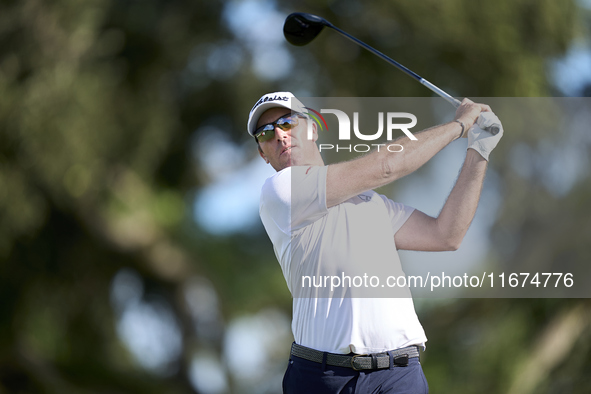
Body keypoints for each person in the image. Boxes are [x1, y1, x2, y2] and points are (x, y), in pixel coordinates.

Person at [247, 92, 503, 393]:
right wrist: (459, 125)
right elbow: (386, 166)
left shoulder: (371, 203)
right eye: (266, 133)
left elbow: (446, 234)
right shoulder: (280, 192)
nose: (279, 135)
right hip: (322, 378)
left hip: (398, 375)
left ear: (313, 128)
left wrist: (479, 150)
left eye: (287, 122)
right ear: (263, 154)